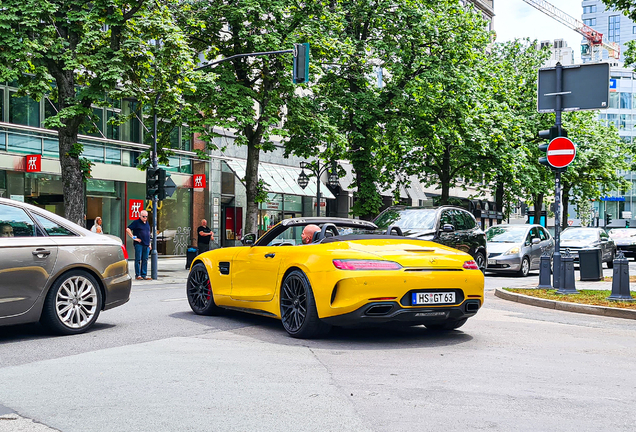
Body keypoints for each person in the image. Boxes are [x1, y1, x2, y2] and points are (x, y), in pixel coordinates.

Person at [126, 210, 152, 280]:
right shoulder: (136, 222)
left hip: (146, 244)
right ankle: (138, 275)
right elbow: (128, 229)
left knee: (145, 259)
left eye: (146, 216)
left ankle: (144, 274)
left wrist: (149, 243)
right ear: (140, 216)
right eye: (143, 216)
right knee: (138, 259)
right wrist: (134, 238)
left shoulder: (147, 223)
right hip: (139, 244)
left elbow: (148, 234)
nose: (145, 218)